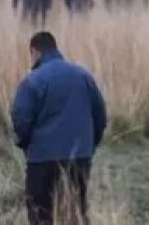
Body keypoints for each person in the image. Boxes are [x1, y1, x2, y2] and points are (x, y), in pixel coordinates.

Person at [11, 32, 108, 225]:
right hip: (79, 157)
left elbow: (21, 121)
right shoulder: (84, 76)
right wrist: (89, 147)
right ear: (56, 49)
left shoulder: (33, 81)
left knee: (40, 215)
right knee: (76, 213)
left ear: (34, 51)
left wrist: (25, 145)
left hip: (42, 160)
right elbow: (101, 116)